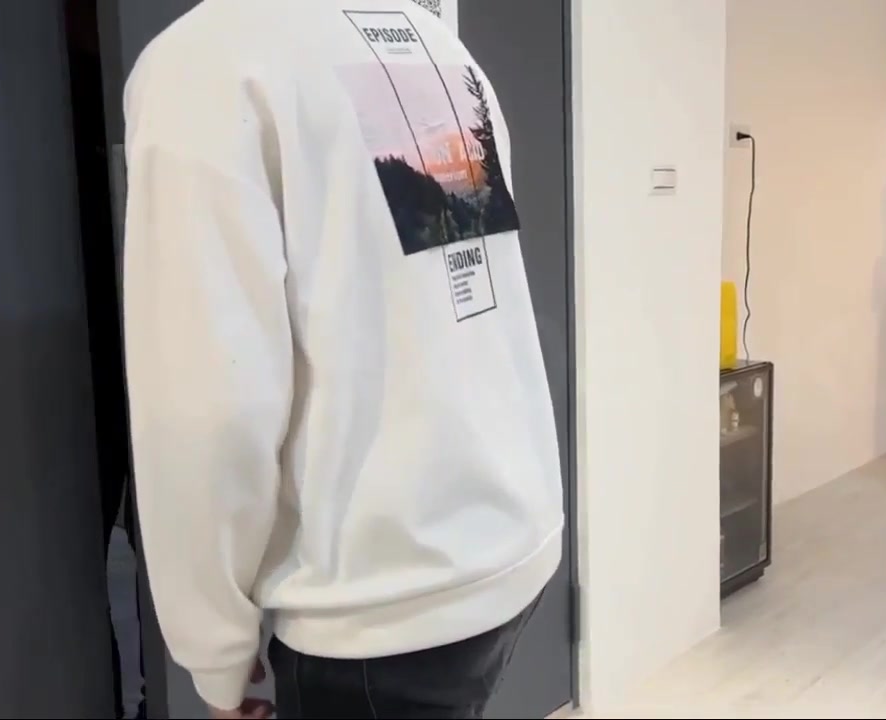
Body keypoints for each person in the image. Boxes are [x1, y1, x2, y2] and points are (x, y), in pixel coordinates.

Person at [119, 0, 564, 718]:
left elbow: (209, 405)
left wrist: (215, 654)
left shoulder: (204, 65)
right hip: (507, 544)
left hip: (378, 603)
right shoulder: (429, 42)